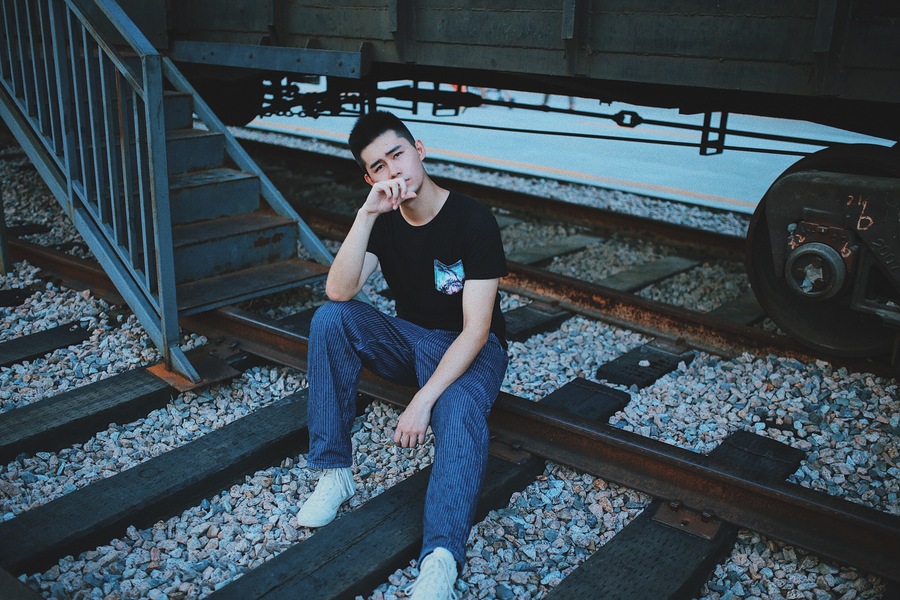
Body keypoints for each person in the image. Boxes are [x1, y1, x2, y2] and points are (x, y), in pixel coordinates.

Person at [296, 111, 509, 599]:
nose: (394, 171)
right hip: (413, 340)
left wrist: (423, 400)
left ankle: (440, 560)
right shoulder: (384, 219)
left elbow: (477, 330)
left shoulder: (472, 219)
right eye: (379, 166)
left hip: (474, 348)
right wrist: (366, 214)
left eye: (397, 155)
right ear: (370, 178)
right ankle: (335, 473)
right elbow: (339, 291)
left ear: (419, 149)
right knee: (330, 319)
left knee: (457, 406)